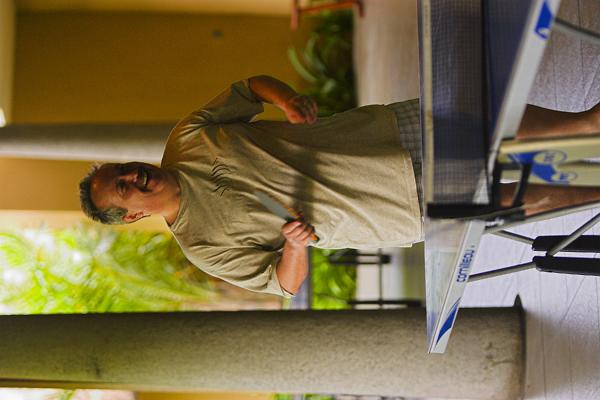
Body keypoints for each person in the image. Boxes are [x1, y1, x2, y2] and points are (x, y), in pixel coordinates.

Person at [79, 75, 600, 297]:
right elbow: (282, 285)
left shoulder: (187, 137)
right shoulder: (202, 247)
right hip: (390, 208)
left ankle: (589, 124)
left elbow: (247, 88)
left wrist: (286, 100)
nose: (132, 175)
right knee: (521, 198)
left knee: (539, 128)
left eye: (123, 169)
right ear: (132, 215)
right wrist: (293, 246)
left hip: (385, 134)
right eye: (123, 189)